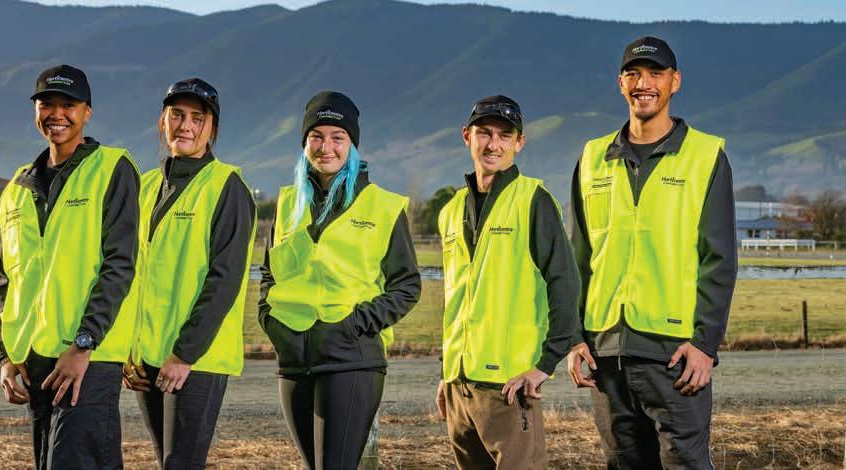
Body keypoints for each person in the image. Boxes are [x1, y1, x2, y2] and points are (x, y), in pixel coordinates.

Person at [565, 36, 737, 469]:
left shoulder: (705, 156)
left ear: (674, 82)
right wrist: (574, 338)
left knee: (684, 464)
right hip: (605, 353)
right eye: (634, 74)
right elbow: (577, 259)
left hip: (674, 355)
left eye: (655, 74)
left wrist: (704, 344)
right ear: (620, 83)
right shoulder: (592, 158)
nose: (644, 83)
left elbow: (719, 260)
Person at [258, 90, 421, 469]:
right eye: (316, 137)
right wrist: (270, 318)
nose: (325, 147)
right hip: (294, 359)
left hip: (351, 359)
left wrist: (354, 325)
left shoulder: (383, 206)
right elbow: (270, 271)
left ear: (352, 145)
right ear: (304, 143)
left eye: (337, 137)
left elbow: (407, 285)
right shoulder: (288, 203)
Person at [0, 64, 140, 469]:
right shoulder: (18, 188)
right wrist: (5, 354)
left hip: (88, 357)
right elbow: (9, 278)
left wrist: (83, 344)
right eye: (47, 104)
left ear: (87, 112)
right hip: (36, 357)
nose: (56, 114)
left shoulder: (111, 169)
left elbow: (120, 264)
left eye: (68, 105)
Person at [435, 95, 583, 469]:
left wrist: (545, 364)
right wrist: (447, 373)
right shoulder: (450, 211)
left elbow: (565, 284)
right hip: (459, 387)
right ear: (467, 136)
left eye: (505, 135)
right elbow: (456, 299)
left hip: (511, 387)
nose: (494, 144)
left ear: (519, 142)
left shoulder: (534, 200)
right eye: (484, 133)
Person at [118, 78, 257, 468]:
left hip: (195, 359)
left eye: (198, 118)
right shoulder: (145, 187)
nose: (185, 125)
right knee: (166, 461)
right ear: (162, 121)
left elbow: (225, 280)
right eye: (177, 115)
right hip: (147, 358)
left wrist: (185, 353)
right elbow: (132, 273)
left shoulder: (227, 187)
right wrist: (129, 348)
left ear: (212, 128)